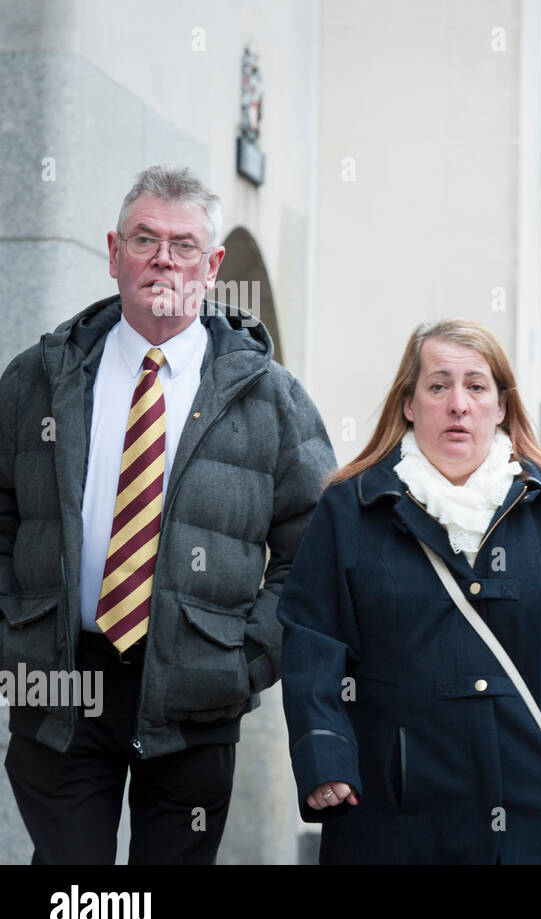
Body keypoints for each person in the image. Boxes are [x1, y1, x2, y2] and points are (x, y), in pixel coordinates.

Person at [0, 165, 334, 864]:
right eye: (144, 238)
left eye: (184, 245)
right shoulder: (38, 377)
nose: (162, 258)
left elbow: (317, 555)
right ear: (114, 252)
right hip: (62, 683)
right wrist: (13, 630)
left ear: (212, 266)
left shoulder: (270, 399)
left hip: (195, 694)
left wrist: (242, 660)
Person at [278, 320, 541, 864]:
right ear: (409, 404)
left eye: (476, 386)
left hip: (534, 800)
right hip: (393, 808)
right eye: (438, 386)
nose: (458, 404)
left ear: (502, 406)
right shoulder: (352, 507)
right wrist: (325, 759)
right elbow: (312, 641)